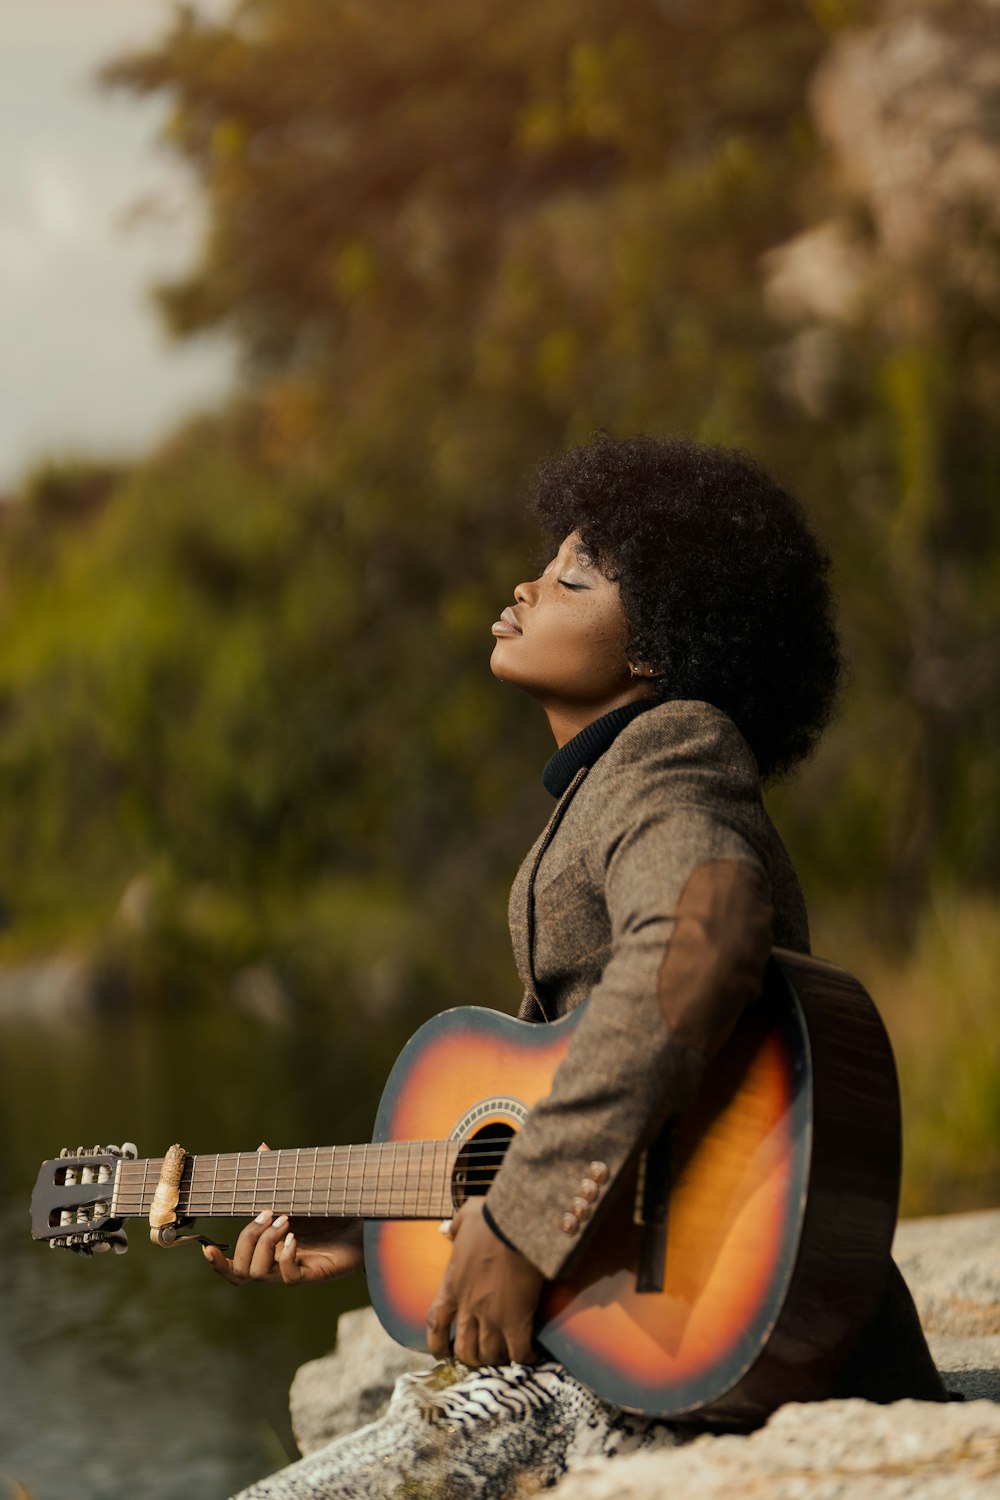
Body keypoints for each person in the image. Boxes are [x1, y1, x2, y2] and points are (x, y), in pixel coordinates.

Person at [206, 434, 946, 1499]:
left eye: (570, 579)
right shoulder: (606, 783)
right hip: (642, 1316)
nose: (523, 586)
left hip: (707, 1317)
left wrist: (521, 1218)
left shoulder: (671, 752)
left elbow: (708, 926)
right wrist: (374, 1226)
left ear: (655, 648)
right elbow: (556, 1091)